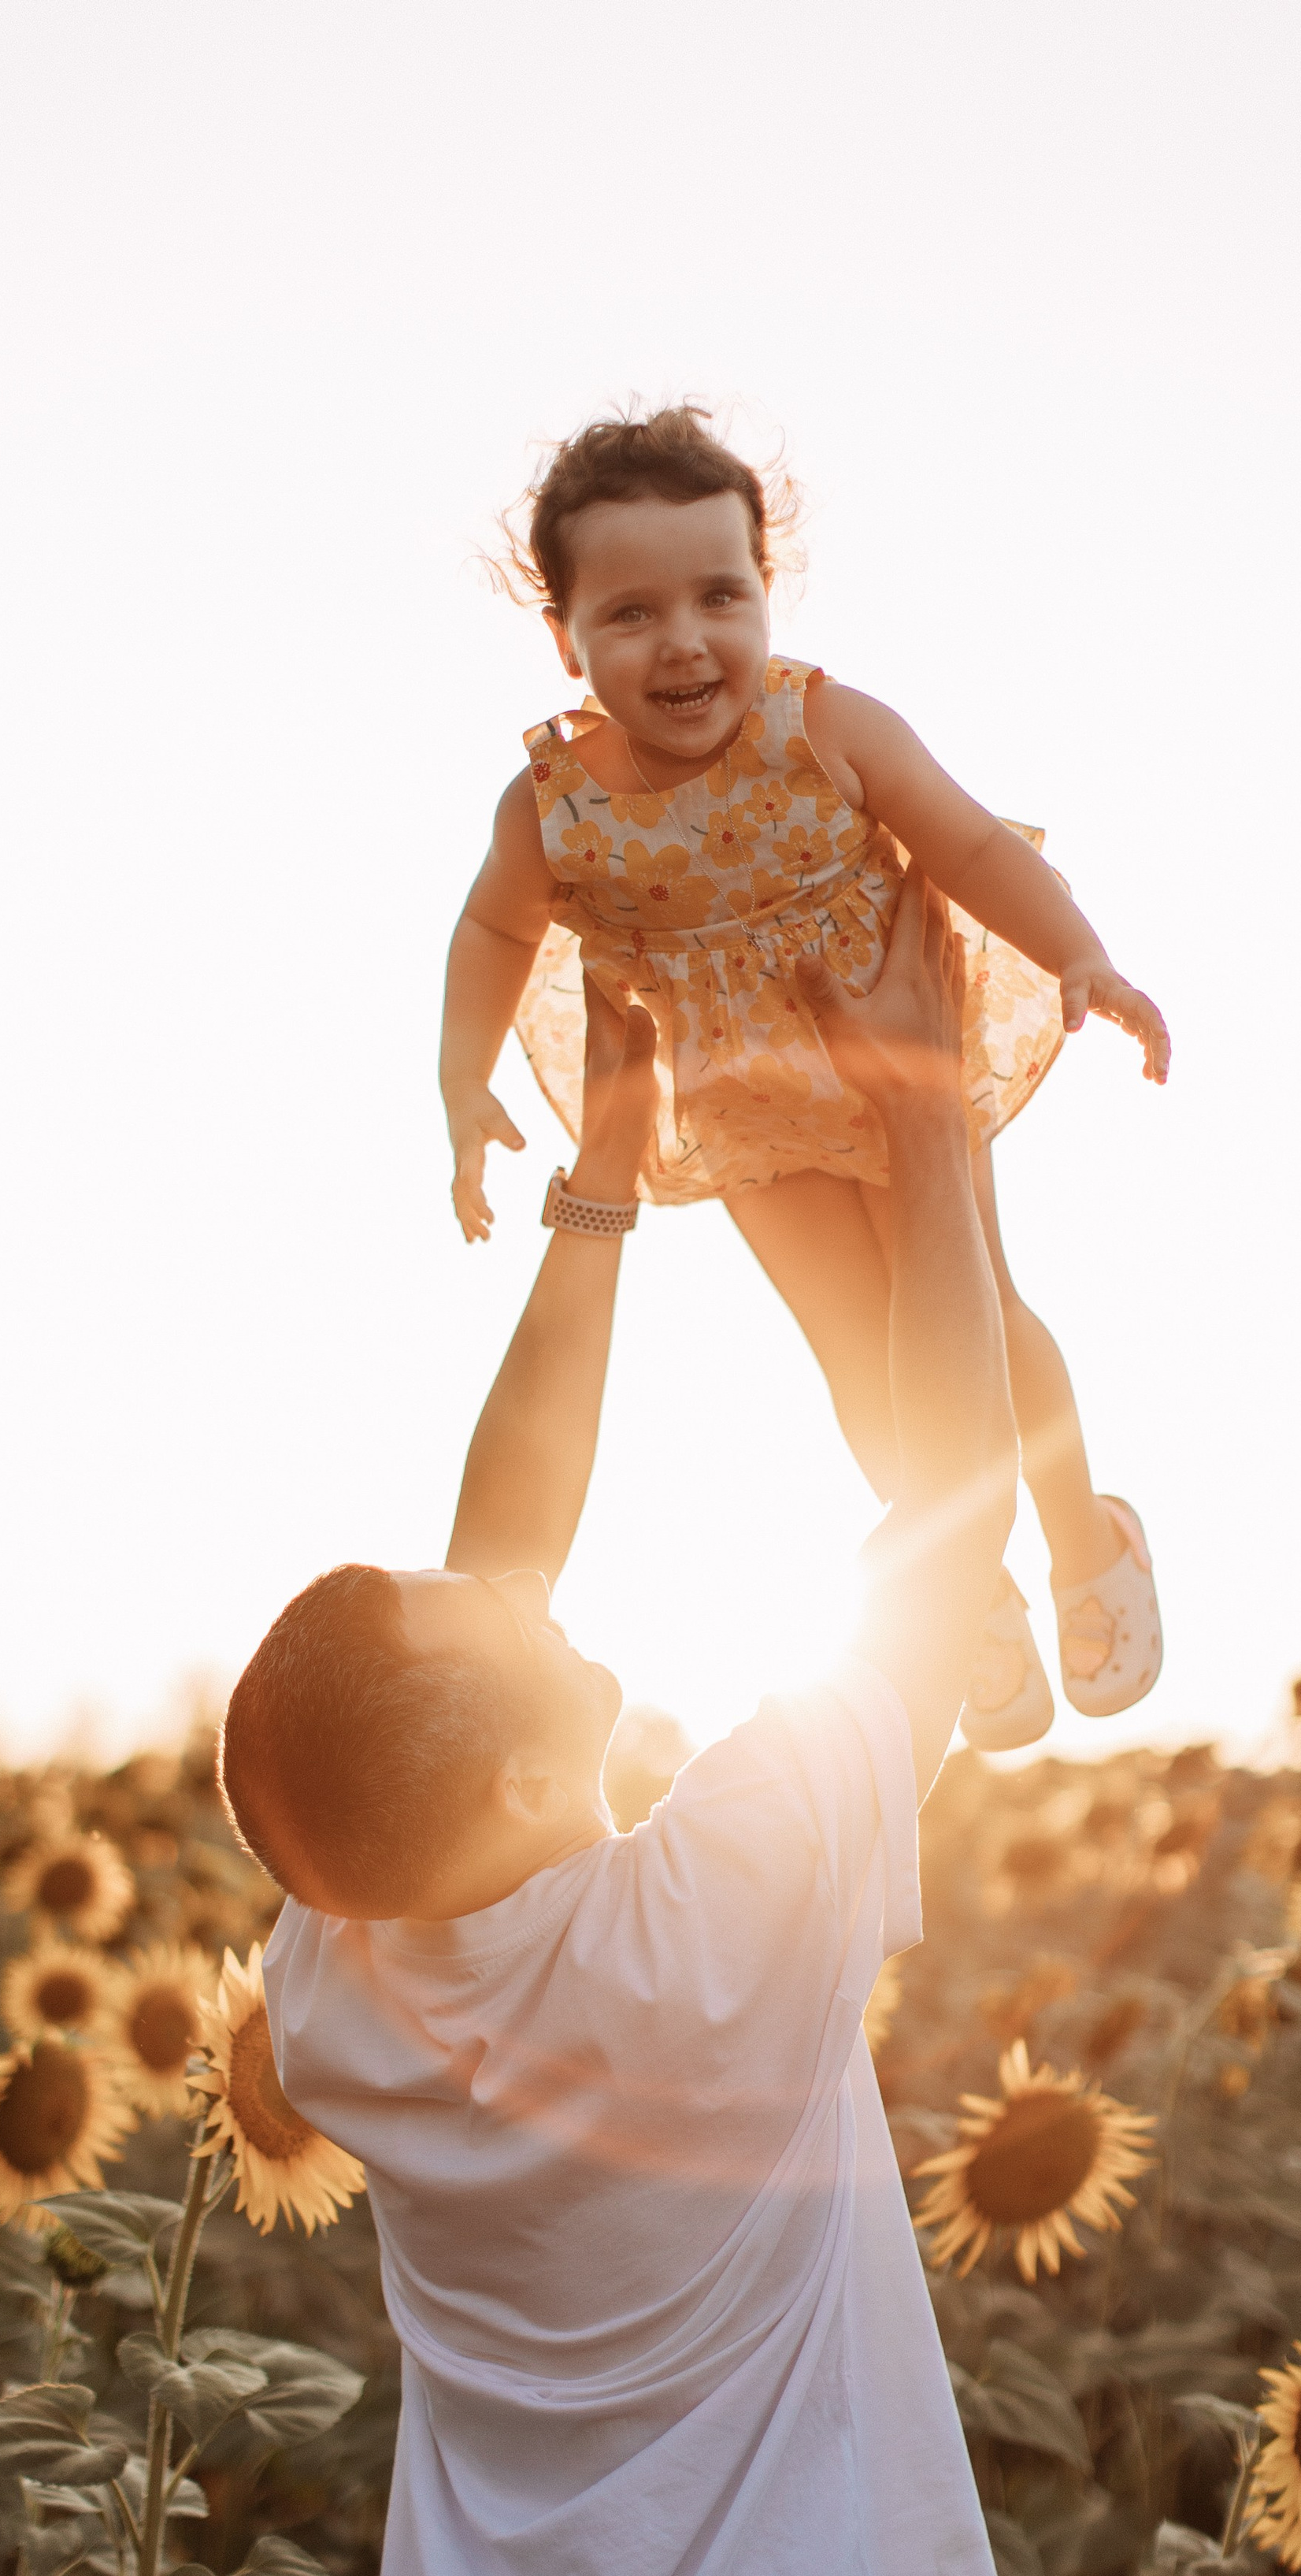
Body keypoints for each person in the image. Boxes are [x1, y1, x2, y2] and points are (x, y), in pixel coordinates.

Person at [220, 874, 1019, 2576]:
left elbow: (487, 1577)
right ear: (489, 1782)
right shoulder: (713, 1919)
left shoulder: (351, 1965)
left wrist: (602, 1195)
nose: (525, 1585)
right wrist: (925, 1122)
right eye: (484, 1620)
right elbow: (948, 1497)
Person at [439, 400, 1171, 1749]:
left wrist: (1083, 956)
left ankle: (1081, 1531)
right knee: (856, 1349)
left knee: (979, 1313)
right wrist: (462, 1084)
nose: (685, 642)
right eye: (632, 613)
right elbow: (491, 928)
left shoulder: (825, 727)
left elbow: (969, 847)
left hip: (897, 1046)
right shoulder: (553, 808)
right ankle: (966, 1584)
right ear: (566, 637)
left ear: (766, 593)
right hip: (738, 1106)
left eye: (720, 594)